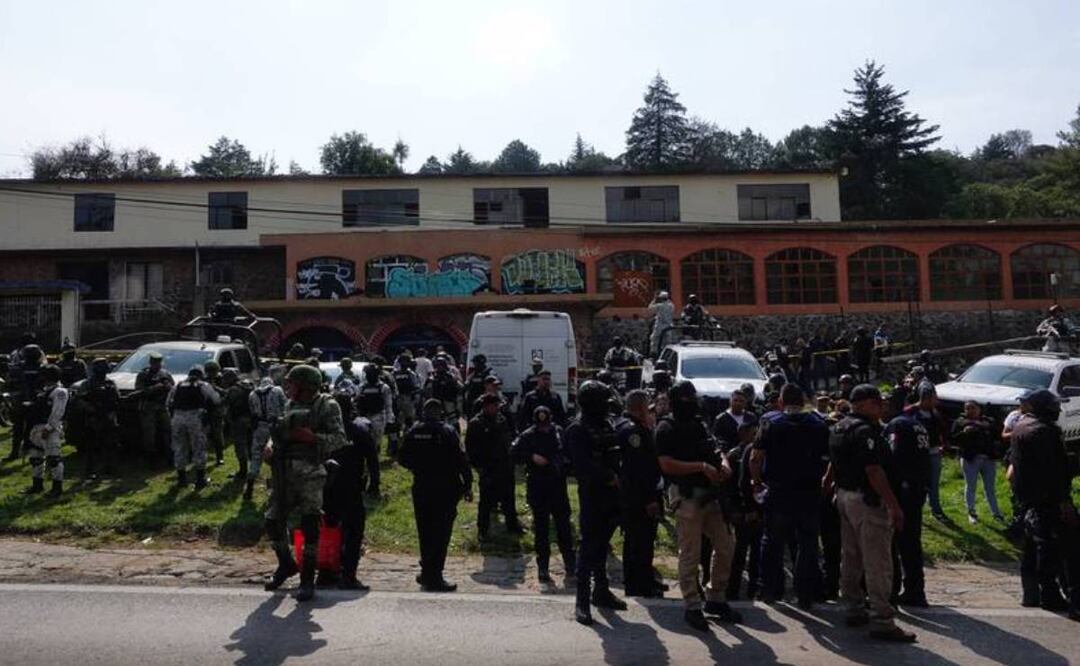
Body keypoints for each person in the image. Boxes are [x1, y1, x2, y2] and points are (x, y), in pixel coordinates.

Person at [828, 384, 916, 642]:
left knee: (851, 556)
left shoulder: (839, 426)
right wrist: (894, 505)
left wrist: (829, 486)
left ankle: (853, 607)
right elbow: (874, 471)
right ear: (866, 403)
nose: (882, 406)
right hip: (867, 501)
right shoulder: (865, 431)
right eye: (878, 402)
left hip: (844, 496)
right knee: (878, 562)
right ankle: (882, 620)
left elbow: (834, 464)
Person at [657, 380, 741, 630]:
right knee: (690, 552)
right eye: (686, 400)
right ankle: (692, 605)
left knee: (726, 545)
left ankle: (716, 597)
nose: (690, 404)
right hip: (687, 494)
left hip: (711, 494)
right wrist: (700, 467)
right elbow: (666, 464)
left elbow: (715, 447)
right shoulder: (666, 427)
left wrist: (723, 463)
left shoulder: (699, 423)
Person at [263, 364, 347, 602]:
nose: (288, 387)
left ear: (305, 386)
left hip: (310, 473)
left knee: (310, 525)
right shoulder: (290, 404)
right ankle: (286, 565)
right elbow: (280, 429)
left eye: (293, 383)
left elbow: (340, 439)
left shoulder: (326, 406)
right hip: (284, 473)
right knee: (272, 520)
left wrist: (314, 438)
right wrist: (270, 445)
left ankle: (307, 580)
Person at [749, 384, 830, 608]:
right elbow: (829, 458)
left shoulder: (770, 423)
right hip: (809, 491)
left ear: (782, 402)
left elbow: (755, 457)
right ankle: (805, 593)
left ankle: (770, 590)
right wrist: (824, 482)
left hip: (779, 491)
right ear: (803, 402)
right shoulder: (818, 424)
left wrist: (756, 483)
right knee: (808, 544)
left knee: (772, 541)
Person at [1010, 389, 1080, 615]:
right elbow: (1055, 470)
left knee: (1032, 548)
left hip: (1027, 498)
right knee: (1065, 549)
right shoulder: (1046, 432)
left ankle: (1032, 594)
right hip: (1048, 499)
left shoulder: (1021, 426)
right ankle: (1059, 596)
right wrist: (1063, 501)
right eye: (1055, 407)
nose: (1059, 410)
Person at [566, 380, 628, 625]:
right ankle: (582, 601)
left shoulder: (607, 424)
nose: (607, 407)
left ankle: (601, 591)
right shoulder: (577, 429)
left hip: (614, 495)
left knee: (604, 545)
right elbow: (583, 466)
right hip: (593, 494)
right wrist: (609, 477)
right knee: (589, 546)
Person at [399, 399, 473, 592]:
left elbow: (402, 458)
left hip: (422, 486)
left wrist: (419, 467)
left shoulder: (414, 431)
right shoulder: (448, 431)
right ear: (440, 413)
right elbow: (461, 459)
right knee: (441, 533)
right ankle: (435, 576)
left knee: (425, 530)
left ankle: (426, 571)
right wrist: (468, 484)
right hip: (445, 487)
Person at [512, 405, 576, 584]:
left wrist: (562, 464)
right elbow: (514, 452)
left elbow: (568, 453)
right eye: (542, 425)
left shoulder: (558, 432)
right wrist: (532, 457)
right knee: (541, 530)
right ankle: (543, 568)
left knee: (564, 528)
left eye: (547, 424)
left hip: (557, 485)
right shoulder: (528, 435)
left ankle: (571, 565)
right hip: (538, 485)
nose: (545, 428)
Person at [322, 391, 376, 590]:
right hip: (350, 489)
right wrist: (375, 485)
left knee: (329, 529)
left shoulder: (324, 430)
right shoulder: (358, 430)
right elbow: (372, 459)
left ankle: (326, 572)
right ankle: (348, 576)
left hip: (327, 488)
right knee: (353, 532)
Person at [884, 406, 931, 607]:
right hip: (918, 487)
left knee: (893, 541)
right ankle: (915, 589)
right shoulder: (919, 426)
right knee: (912, 542)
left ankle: (892, 589)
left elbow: (893, 455)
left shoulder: (897, 425)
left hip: (901, 489)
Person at [617, 390, 663, 598]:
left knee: (644, 541)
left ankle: (645, 579)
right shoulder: (633, 431)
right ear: (640, 408)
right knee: (638, 542)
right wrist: (650, 499)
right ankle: (637, 585)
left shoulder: (633, 427)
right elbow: (639, 470)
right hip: (638, 497)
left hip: (638, 495)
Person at [466, 393, 522, 539]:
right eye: (494, 405)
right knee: (486, 501)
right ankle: (483, 530)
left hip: (504, 465)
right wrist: (479, 467)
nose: (496, 408)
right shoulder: (476, 423)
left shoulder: (501, 419)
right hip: (488, 467)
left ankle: (512, 526)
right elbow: (471, 448)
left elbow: (508, 439)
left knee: (508, 498)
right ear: (486, 406)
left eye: (497, 405)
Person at [167, 366, 221, 489]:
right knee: (199, 447)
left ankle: (181, 479)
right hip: (195, 418)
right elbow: (216, 400)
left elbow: (168, 402)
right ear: (201, 375)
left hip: (177, 418)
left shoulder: (178, 385)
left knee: (179, 447)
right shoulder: (203, 385)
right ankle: (200, 480)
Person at [952, 401, 1004, 525]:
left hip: (988, 458)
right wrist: (964, 432)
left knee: (990, 488)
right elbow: (953, 439)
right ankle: (971, 512)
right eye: (967, 408)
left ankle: (996, 513)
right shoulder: (960, 422)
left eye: (973, 408)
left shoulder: (989, 421)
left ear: (979, 409)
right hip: (970, 458)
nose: (970, 411)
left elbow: (998, 436)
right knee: (971, 486)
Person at [23, 364, 69, 497]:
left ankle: (57, 487)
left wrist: (49, 428)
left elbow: (58, 412)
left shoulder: (60, 392)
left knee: (53, 459)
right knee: (36, 458)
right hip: (36, 428)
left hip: (50, 429)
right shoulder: (43, 391)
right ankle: (37, 485)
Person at [904, 382, 947, 521]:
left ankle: (936, 509)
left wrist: (943, 445)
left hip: (933, 452)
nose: (937, 401)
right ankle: (915, 509)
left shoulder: (935, 413)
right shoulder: (910, 412)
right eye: (934, 398)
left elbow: (941, 431)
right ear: (926, 398)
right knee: (918, 483)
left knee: (934, 483)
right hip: (916, 454)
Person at [77, 358, 120, 479]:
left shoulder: (110, 383)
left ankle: (109, 467)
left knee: (110, 444)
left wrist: (112, 412)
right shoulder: (87, 384)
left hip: (108, 416)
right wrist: (91, 409)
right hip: (94, 418)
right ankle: (90, 470)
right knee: (92, 446)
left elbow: (117, 398)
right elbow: (80, 400)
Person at [247, 377, 288, 501]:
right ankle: (276, 487)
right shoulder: (277, 390)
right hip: (275, 427)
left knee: (256, 456)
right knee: (277, 456)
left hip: (260, 427)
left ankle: (250, 485)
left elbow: (252, 411)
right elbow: (286, 406)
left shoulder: (252, 394)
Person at [135, 352, 174, 467]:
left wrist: (168, 386)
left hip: (162, 406)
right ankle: (151, 458)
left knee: (168, 431)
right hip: (148, 406)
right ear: (151, 363)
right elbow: (139, 391)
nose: (157, 365)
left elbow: (172, 387)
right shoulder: (143, 374)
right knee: (149, 434)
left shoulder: (165, 373)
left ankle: (169, 456)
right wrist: (154, 388)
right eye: (155, 363)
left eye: (159, 363)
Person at [5, 343, 43, 461]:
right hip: (33, 402)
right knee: (29, 428)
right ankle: (24, 449)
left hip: (21, 402)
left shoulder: (17, 368)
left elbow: (10, 384)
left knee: (19, 428)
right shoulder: (42, 368)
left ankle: (17, 451)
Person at [355, 363, 394, 460]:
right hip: (364, 416)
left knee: (375, 440)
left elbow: (388, 405)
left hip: (378, 416)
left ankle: (374, 456)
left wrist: (390, 420)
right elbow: (357, 401)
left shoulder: (384, 387)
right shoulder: (362, 387)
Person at [222, 369, 255, 482]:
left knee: (240, 446)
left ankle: (243, 471)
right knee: (251, 445)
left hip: (238, 420)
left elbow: (225, 403)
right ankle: (253, 469)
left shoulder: (233, 390)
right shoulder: (248, 384)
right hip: (251, 419)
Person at [390, 354, 422, 457]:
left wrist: (415, 400)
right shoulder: (394, 373)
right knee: (395, 424)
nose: (404, 363)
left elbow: (417, 387)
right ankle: (394, 444)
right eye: (402, 361)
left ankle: (407, 443)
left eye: (406, 361)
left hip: (408, 399)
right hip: (397, 399)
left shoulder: (412, 374)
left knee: (409, 422)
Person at [424, 356, 463, 430]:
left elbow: (460, 389)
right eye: (438, 366)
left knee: (453, 420)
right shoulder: (432, 378)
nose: (440, 368)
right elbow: (426, 391)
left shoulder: (451, 377)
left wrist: (458, 405)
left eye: (441, 366)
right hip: (435, 402)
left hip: (449, 401)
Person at [203, 361, 227, 466]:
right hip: (205, 410)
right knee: (204, 434)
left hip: (217, 409)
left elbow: (226, 392)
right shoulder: (203, 380)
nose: (211, 374)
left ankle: (219, 456)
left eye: (213, 371)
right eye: (209, 372)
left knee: (217, 434)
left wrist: (215, 387)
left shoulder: (221, 379)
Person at [463, 354, 494, 419]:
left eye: (475, 362)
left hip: (483, 398)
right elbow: (467, 383)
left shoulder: (489, 372)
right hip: (472, 399)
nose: (474, 364)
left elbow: (492, 383)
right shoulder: (473, 372)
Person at [648, 291, 675, 357]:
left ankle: (653, 353)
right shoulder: (671, 306)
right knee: (668, 341)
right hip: (669, 325)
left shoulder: (660, 306)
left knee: (654, 339)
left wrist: (654, 299)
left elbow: (650, 308)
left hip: (660, 325)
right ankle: (667, 354)